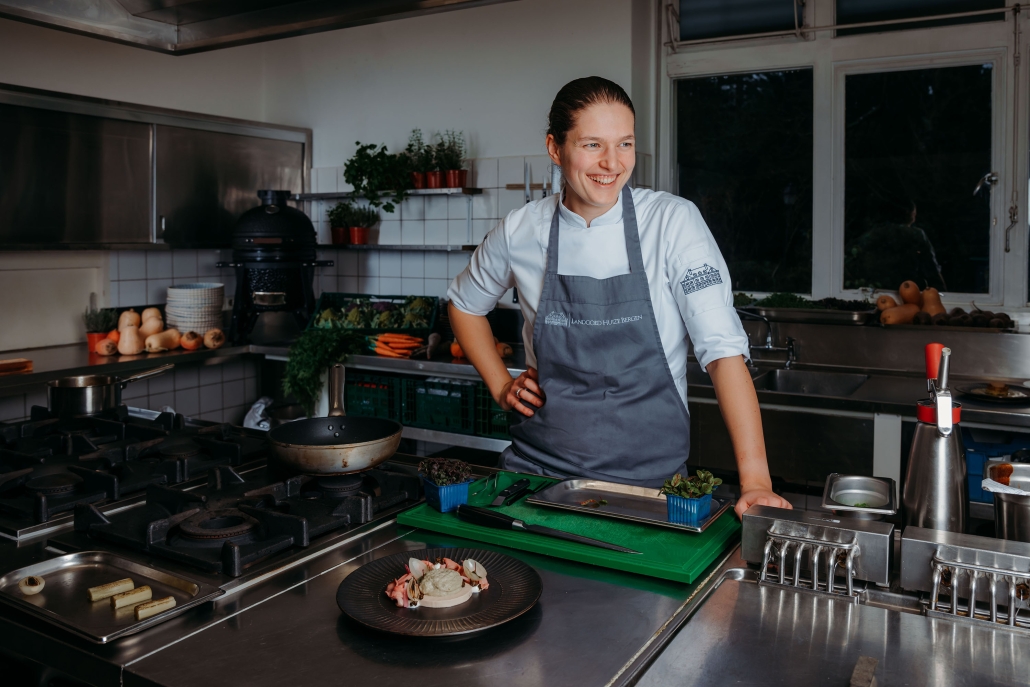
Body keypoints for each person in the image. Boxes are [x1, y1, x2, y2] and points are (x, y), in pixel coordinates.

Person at [447, 76, 790, 518]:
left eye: (624, 144)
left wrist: (757, 480)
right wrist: (500, 384)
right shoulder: (522, 230)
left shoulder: (671, 223)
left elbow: (723, 352)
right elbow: (464, 303)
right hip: (537, 480)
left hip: (652, 490)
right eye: (592, 145)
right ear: (555, 148)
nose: (611, 163)